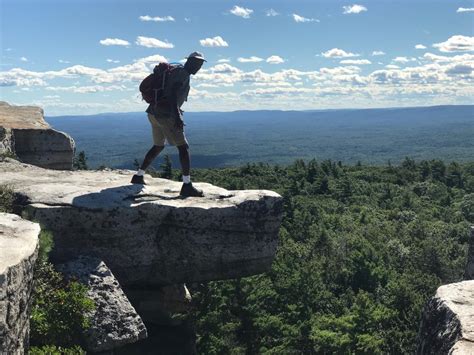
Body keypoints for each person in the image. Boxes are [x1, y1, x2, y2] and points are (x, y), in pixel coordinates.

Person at [131, 51, 206, 197]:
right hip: (166, 115)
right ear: (189, 62)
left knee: (158, 145)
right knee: (184, 148)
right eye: (197, 64)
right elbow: (171, 94)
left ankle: (138, 176)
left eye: (201, 64)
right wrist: (178, 116)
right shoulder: (182, 74)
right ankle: (187, 185)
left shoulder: (176, 71)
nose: (198, 67)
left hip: (153, 112)